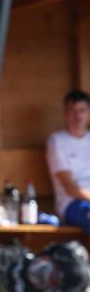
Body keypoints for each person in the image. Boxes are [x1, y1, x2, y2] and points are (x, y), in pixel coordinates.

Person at [47, 89, 90, 232]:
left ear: (88, 113)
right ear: (66, 114)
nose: (78, 117)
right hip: (72, 204)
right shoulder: (57, 141)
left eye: (82, 110)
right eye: (73, 111)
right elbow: (70, 187)